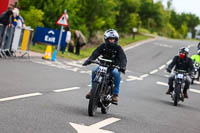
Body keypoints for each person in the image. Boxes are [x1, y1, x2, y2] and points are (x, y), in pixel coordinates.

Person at [82, 29, 127, 103]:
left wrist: (123, 67)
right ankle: (93, 90)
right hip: (103, 65)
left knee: (116, 73)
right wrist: (89, 60)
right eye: (110, 39)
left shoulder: (118, 48)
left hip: (113, 67)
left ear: (116, 40)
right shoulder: (103, 46)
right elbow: (95, 53)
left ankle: (115, 94)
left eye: (113, 39)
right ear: (106, 39)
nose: (112, 41)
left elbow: (123, 58)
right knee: (94, 71)